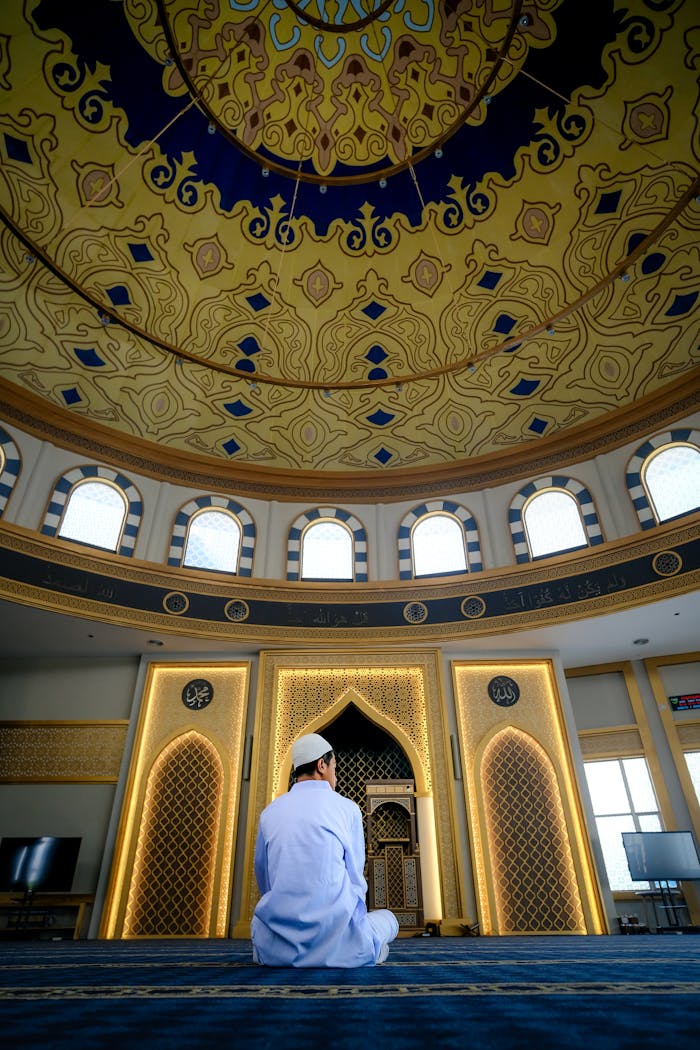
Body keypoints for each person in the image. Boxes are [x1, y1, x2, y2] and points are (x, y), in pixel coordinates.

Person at [251, 732, 399, 967]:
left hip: (279, 947)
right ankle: (362, 946)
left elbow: (265, 879)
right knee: (389, 920)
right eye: (334, 768)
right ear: (322, 765)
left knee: (259, 925)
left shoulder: (269, 813)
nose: (336, 776)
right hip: (339, 940)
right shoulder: (347, 809)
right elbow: (356, 879)